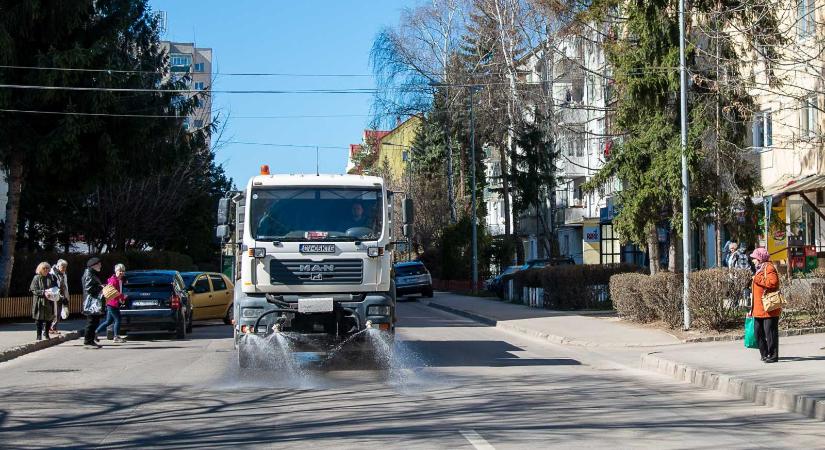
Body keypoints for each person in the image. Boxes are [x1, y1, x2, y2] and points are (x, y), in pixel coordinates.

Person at [750, 247, 781, 363]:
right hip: (758, 308)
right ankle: (764, 354)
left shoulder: (769, 267)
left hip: (768, 307)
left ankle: (773, 355)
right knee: (758, 332)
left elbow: (773, 283)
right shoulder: (759, 269)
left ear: (760, 258)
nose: (753, 260)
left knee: (770, 332)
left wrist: (757, 279)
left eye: (754, 258)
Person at [95, 263, 128, 343]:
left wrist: (121, 298)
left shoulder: (120, 280)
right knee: (118, 319)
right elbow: (112, 293)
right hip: (112, 303)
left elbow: (117, 292)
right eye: (119, 271)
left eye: (123, 271)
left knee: (109, 321)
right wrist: (122, 297)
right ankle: (116, 337)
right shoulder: (114, 280)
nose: (121, 272)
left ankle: (95, 332)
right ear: (116, 271)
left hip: (113, 303)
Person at [29, 262, 56, 341]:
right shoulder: (36, 278)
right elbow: (33, 289)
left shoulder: (51, 277)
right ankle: (39, 335)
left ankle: (47, 334)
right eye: (44, 268)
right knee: (39, 318)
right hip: (39, 301)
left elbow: (55, 287)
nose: (46, 270)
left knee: (49, 318)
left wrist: (53, 292)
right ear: (40, 269)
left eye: (47, 268)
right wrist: (43, 292)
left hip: (49, 301)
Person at [82, 257, 105, 349]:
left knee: (94, 321)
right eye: (99, 264)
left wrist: (100, 286)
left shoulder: (91, 273)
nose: (100, 265)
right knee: (91, 321)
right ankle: (88, 341)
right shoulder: (89, 274)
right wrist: (101, 288)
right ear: (94, 265)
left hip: (93, 302)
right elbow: (89, 288)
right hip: (91, 303)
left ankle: (90, 340)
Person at [49, 259, 69, 335]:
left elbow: (65, 285)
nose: (64, 268)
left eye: (65, 267)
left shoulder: (63, 274)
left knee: (59, 312)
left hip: (61, 295)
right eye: (62, 266)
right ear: (58, 266)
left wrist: (65, 296)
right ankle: (50, 328)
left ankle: (54, 328)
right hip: (54, 295)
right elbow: (54, 286)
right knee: (55, 312)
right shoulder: (53, 273)